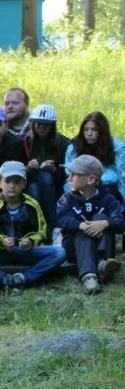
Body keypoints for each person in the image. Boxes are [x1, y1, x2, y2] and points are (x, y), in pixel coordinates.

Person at [0, 161, 66, 288]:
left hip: (25, 252)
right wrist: (0, 240)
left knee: (60, 253)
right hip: (0, 251)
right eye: (7, 181)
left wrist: (31, 240)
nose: (12, 186)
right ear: (0, 182)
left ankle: (25, 277)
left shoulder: (32, 204)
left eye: (17, 182)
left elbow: (42, 231)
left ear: (24, 183)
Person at [56, 155, 125, 294]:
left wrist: (104, 223)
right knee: (82, 232)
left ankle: (102, 264)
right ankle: (89, 277)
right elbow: (63, 220)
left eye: (74, 174)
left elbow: (120, 223)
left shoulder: (107, 199)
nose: (69, 178)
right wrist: (83, 226)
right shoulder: (66, 199)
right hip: (75, 248)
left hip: (103, 248)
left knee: (102, 217)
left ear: (91, 179)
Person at [22, 104, 70, 242]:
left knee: (45, 177)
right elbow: (17, 170)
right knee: (35, 188)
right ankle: (42, 230)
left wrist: (55, 170)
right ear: (33, 124)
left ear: (52, 126)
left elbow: (67, 171)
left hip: (54, 185)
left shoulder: (63, 143)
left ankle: (51, 229)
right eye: (38, 124)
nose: (42, 128)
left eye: (46, 125)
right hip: (29, 183)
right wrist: (28, 168)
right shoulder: (25, 142)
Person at [63, 111, 125, 203]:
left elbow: (116, 173)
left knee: (108, 192)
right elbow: (69, 169)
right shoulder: (75, 147)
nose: (89, 133)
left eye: (94, 130)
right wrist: (85, 179)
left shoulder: (116, 147)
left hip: (105, 184)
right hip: (80, 183)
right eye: (86, 130)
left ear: (102, 131)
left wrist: (94, 179)